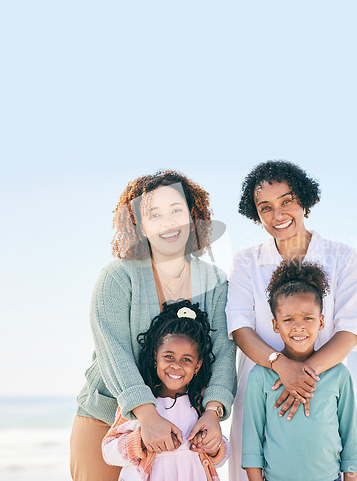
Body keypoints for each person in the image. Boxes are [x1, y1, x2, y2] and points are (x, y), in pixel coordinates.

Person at [70, 171, 236, 481]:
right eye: (154, 214)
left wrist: (213, 412)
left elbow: (225, 353)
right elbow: (113, 352)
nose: (168, 222)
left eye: (176, 210)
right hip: (107, 419)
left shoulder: (215, 283)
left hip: (183, 423)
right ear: (139, 224)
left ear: (192, 214)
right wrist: (146, 415)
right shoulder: (118, 276)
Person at [226, 160, 357, 480]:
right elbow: (240, 328)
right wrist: (281, 366)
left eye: (287, 201)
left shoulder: (341, 257)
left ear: (303, 199)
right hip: (261, 393)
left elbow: (350, 329)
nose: (278, 215)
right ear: (256, 214)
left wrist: (302, 376)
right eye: (265, 207)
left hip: (322, 390)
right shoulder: (246, 261)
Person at [242, 260, 357, 481]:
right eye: (288, 319)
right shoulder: (260, 376)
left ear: (321, 322)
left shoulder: (339, 375)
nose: (299, 327)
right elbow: (252, 443)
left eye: (308, 318)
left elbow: (350, 440)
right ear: (276, 324)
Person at [102, 300, 230, 480]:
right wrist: (140, 441)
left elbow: (222, 456)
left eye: (186, 359)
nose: (176, 366)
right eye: (169, 356)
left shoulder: (201, 401)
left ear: (198, 365)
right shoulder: (140, 402)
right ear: (155, 356)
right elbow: (108, 452)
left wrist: (214, 446)